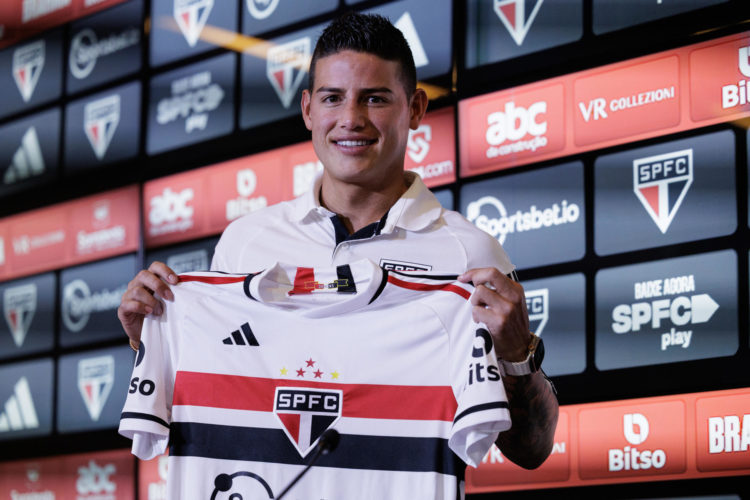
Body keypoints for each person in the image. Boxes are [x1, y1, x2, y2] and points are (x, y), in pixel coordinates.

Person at [118, 12, 558, 470]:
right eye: (333, 98)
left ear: (416, 109)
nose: (351, 119)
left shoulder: (471, 254)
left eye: (375, 99)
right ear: (308, 109)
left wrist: (516, 356)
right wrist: (152, 338)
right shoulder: (245, 243)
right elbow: (202, 407)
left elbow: (532, 449)